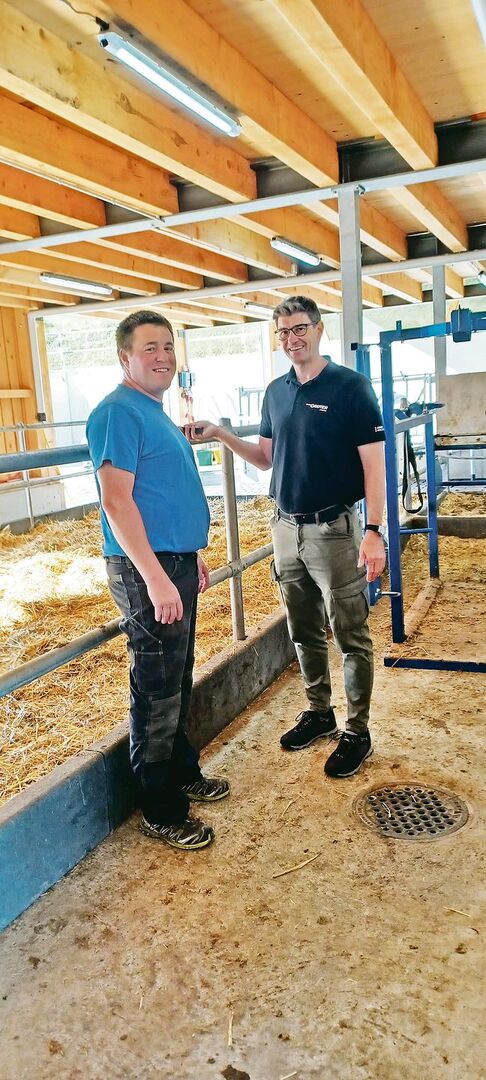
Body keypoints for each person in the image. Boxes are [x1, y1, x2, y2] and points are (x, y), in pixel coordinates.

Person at [185, 295, 386, 779]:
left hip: (334, 528)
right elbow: (265, 458)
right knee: (302, 629)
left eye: (299, 329)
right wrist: (220, 434)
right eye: (283, 333)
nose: (292, 339)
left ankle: (357, 731)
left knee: (350, 632)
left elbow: (374, 465)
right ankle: (319, 711)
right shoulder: (276, 392)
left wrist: (374, 530)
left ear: (319, 330)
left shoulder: (351, 387)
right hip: (285, 526)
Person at [86, 310, 229, 851]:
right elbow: (116, 502)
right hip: (146, 569)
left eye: (168, 346)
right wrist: (155, 576)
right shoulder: (116, 413)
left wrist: (188, 557)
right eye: (150, 348)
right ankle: (159, 807)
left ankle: (180, 770)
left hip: (173, 563)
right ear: (125, 357)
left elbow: (161, 492)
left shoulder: (154, 411)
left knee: (178, 674)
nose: (163, 356)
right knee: (156, 685)